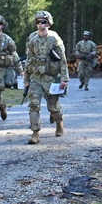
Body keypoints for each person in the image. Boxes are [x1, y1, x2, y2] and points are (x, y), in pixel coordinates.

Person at [23, 10, 69, 145]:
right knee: (34, 104)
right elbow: (29, 61)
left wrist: (64, 79)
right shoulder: (32, 40)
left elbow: (63, 60)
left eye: (43, 21)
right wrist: (26, 79)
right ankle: (35, 133)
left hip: (51, 77)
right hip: (36, 77)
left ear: (48, 23)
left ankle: (59, 122)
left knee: (53, 106)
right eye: (38, 22)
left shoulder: (54, 39)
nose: (41, 24)